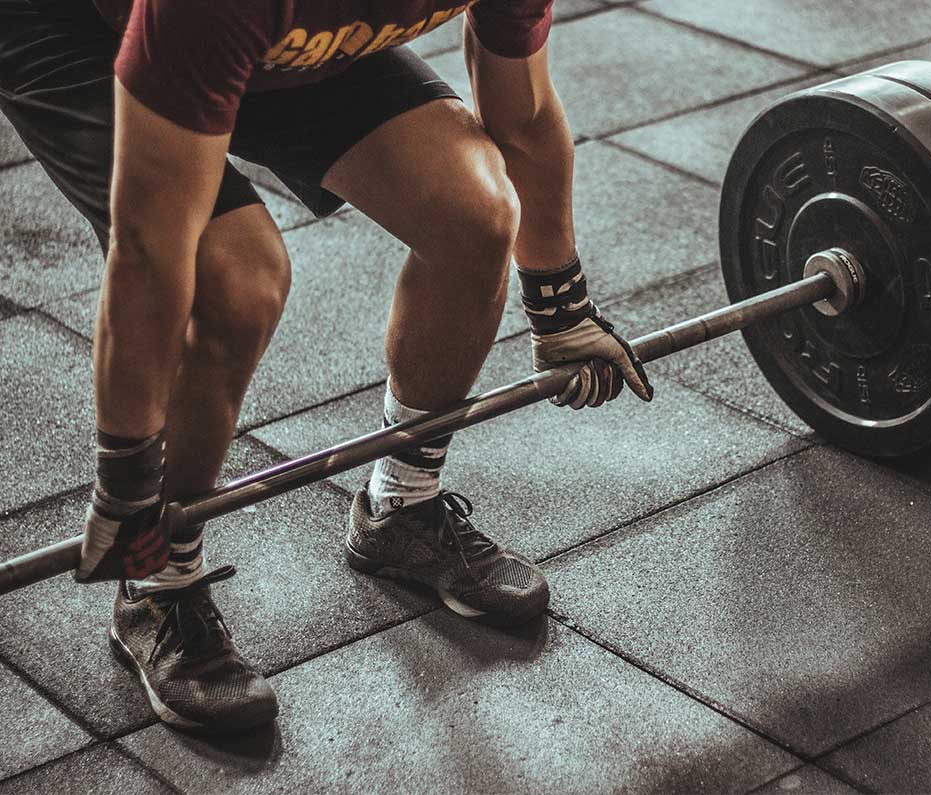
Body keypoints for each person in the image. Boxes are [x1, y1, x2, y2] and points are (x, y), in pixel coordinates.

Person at [0, 0, 653, 735]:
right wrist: (126, 482)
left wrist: (563, 312)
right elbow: (152, 252)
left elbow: (524, 119)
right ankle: (157, 581)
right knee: (234, 281)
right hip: (80, 28)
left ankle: (400, 506)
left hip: (273, 42)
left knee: (475, 212)